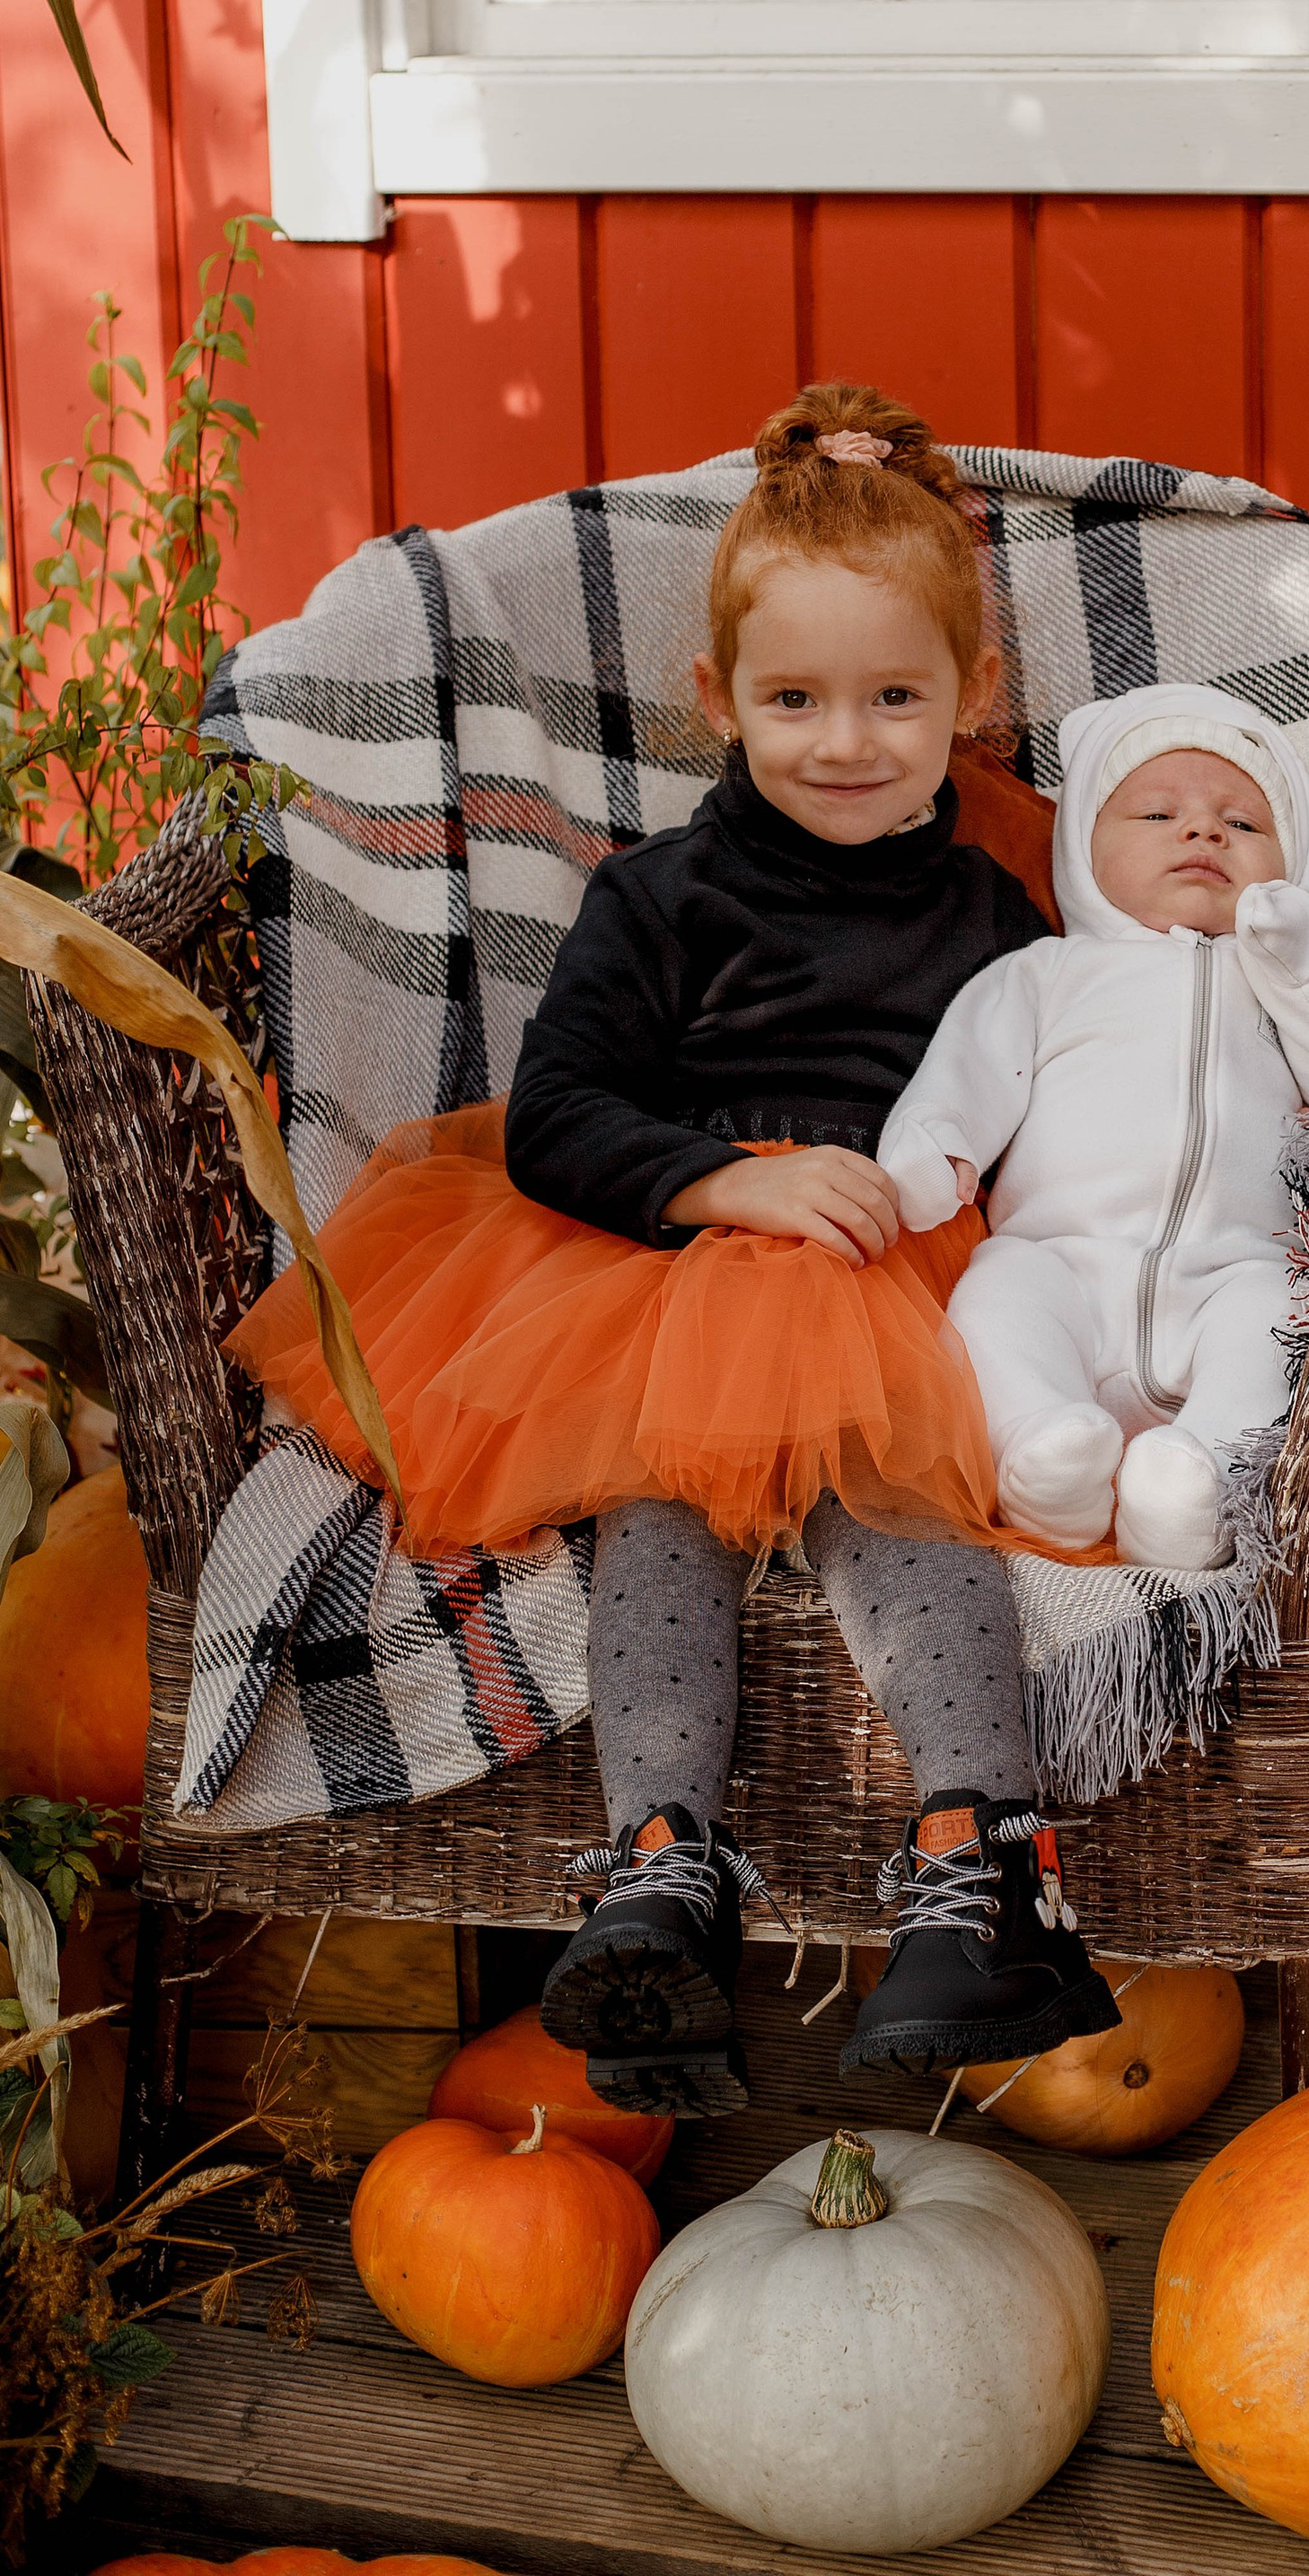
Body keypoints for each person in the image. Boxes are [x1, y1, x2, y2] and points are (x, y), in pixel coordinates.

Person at [226, 385, 1119, 2115]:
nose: (843, 740)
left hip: (901, 1263)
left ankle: (984, 1860)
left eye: (892, 698)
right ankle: (660, 1871)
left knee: (891, 1491)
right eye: (793, 700)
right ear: (717, 701)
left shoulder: (996, 902)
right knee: (664, 1495)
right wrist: (726, 1183)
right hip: (664, 1272)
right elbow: (558, 1114)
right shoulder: (658, 902)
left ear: (971, 701)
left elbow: (1060, 1088)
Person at [879, 683, 1309, 1572]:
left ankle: (1196, 1480)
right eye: (1156, 812)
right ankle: (1042, 1450)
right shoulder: (1049, 973)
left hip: (1234, 1273)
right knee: (994, 1300)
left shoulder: (1287, 981)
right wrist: (936, 1144)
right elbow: (968, 1066)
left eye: (1244, 825)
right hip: (1060, 1261)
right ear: (1082, 850)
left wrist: (1307, 964)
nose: (1203, 833)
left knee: (1281, 1316)